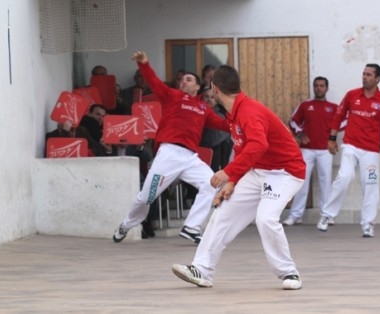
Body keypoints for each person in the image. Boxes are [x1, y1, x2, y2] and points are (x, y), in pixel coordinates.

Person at [171, 65, 306, 290]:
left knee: (265, 218)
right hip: (257, 172)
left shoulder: (249, 111)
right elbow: (246, 151)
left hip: (285, 173)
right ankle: (201, 270)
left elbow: (258, 145)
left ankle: (289, 273)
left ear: (214, 88)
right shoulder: (235, 112)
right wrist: (233, 182)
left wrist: (228, 172)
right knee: (223, 213)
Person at [112, 51, 229, 244]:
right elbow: (154, 81)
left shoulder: (203, 108)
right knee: (145, 198)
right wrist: (144, 63)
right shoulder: (172, 95)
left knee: (212, 183)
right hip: (169, 154)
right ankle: (126, 224)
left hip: (190, 158)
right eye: (182, 79)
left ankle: (192, 227)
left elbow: (223, 125)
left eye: (188, 79)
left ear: (197, 86)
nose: (183, 81)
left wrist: (243, 122)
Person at [316, 64, 380, 238]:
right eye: (363, 74)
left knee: (371, 184)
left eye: (369, 75)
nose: (365, 77)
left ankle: (368, 223)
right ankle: (327, 215)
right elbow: (338, 116)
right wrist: (331, 139)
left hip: (371, 151)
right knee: (345, 177)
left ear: (377, 79)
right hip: (350, 146)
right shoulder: (352, 95)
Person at [282, 76, 338, 226]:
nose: (319, 88)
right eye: (317, 86)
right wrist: (300, 133)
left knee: (326, 183)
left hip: (325, 151)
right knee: (301, 181)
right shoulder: (305, 105)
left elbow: (343, 121)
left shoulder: (333, 108)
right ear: (314, 88)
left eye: (322, 86)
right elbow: (292, 121)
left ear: (327, 88)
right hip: (307, 150)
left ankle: (326, 215)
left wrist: (333, 138)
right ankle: (295, 215)